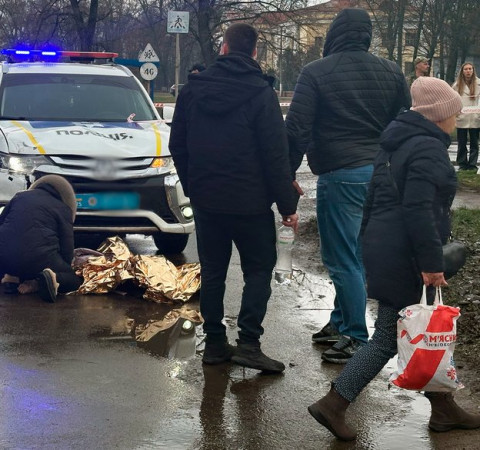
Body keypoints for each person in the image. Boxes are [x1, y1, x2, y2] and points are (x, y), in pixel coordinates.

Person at [308, 76, 480, 441]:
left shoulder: (396, 142)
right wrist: (430, 263)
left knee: (427, 328)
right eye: (453, 112)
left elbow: (373, 201)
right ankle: (333, 404)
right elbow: (420, 209)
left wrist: (368, 242)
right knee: (387, 338)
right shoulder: (427, 148)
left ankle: (443, 409)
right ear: (438, 114)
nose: (456, 119)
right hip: (408, 254)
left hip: (388, 248)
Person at [168, 22, 298, 373]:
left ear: (223, 48)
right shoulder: (261, 94)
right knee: (258, 269)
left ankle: (214, 343)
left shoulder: (192, 92)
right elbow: (275, 155)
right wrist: (287, 206)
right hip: (250, 203)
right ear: (254, 52)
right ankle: (249, 344)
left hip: (207, 200)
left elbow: (177, 145)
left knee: (213, 271)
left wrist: (193, 186)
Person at [285, 8, 410, 364]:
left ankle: (355, 334)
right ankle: (339, 322)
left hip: (341, 173)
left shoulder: (316, 72)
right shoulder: (392, 71)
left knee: (341, 258)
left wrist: (287, 173)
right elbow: (404, 122)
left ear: (334, 34)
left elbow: (297, 129)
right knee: (356, 253)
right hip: (380, 173)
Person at [0, 175, 83, 303]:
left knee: (22, 260)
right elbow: (67, 248)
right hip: (37, 259)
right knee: (74, 280)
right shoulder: (63, 208)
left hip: (2, 258)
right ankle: (48, 281)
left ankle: (12, 279)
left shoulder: (19, 197)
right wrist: (65, 268)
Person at [452, 62, 480, 172]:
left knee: (474, 143)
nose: (468, 71)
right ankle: (462, 163)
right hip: (462, 117)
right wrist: (456, 113)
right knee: (462, 143)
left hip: (475, 117)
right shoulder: (457, 85)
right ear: (462, 71)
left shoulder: (478, 84)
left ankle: (472, 164)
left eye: (470, 69)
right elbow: (453, 101)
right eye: (466, 69)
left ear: (473, 70)